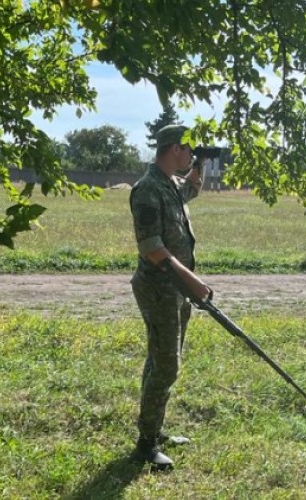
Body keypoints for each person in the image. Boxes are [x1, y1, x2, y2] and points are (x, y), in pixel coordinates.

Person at [129, 124, 211, 470]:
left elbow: (192, 187)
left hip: (176, 289)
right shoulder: (147, 189)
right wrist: (192, 282)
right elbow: (152, 248)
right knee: (167, 366)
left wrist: (203, 161)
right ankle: (146, 444)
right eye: (190, 150)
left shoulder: (172, 184)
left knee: (162, 359)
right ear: (175, 148)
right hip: (159, 287)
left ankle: (154, 428)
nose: (191, 156)